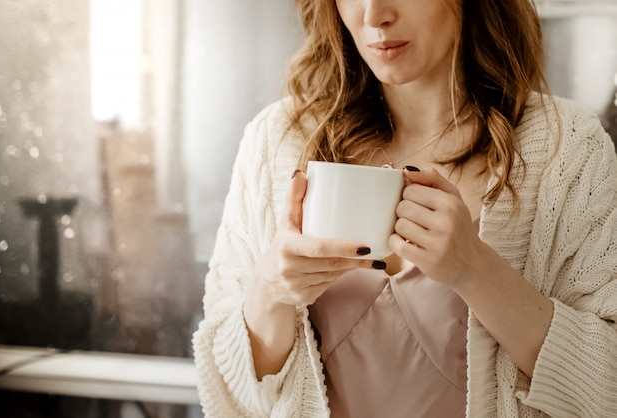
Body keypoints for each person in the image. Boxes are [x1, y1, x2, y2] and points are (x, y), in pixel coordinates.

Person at [192, 0, 617, 416]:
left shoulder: (568, 148)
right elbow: (227, 401)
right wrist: (270, 293)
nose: (374, 15)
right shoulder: (276, 141)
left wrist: (477, 272)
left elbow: (608, 392)